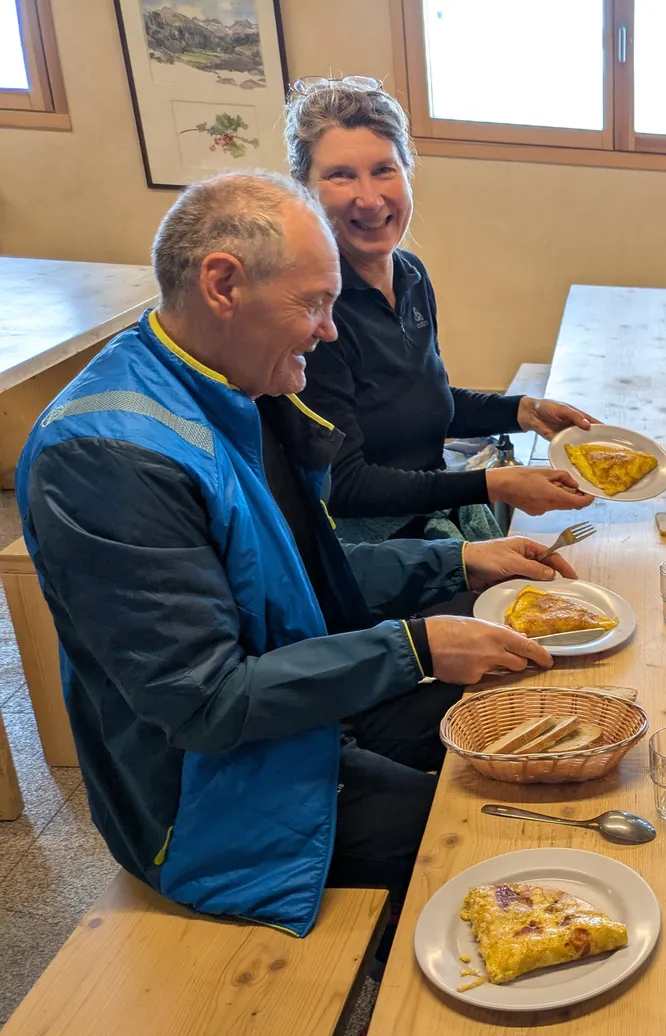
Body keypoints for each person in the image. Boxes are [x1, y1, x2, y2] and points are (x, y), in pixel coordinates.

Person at [16, 171, 577, 937]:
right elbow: (205, 702)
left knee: (534, 695)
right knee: (483, 838)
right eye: (314, 304)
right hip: (206, 800)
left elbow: (299, 579)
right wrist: (415, 648)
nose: (330, 331)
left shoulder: (240, 387)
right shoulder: (108, 458)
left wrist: (459, 562)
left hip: (299, 708)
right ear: (223, 284)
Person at [286, 78, 594, 541]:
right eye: (340, 176)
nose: (369, 198)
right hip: (369, 544)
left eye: (384, 170)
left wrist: (524, 412)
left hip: (430, 506)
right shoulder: (312, 314)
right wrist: (493, 484)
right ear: (304, 189)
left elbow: (420, 402)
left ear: (407, 173)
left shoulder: (410, 274)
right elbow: (344, 486)